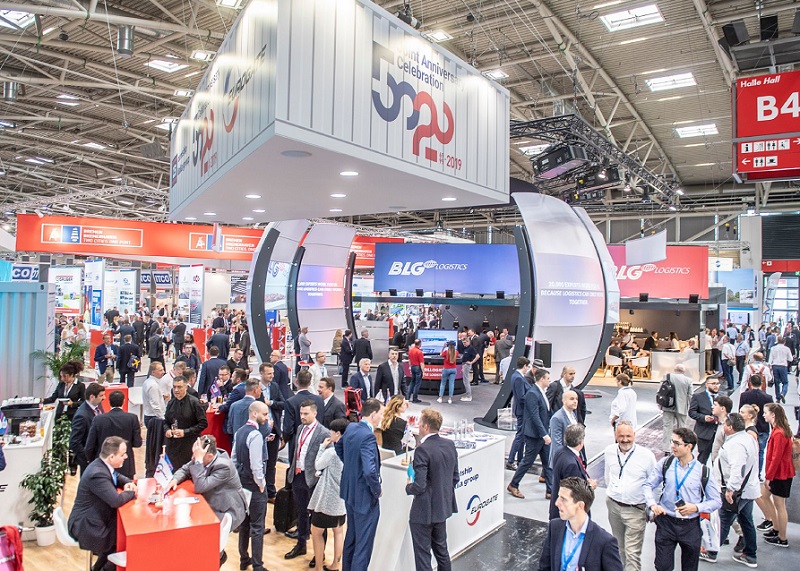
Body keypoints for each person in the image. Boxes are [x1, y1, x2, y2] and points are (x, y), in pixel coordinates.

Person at [643, 428, 721, 571]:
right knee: (662, 566)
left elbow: (716, 501)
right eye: (672, 442)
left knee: (690, 567)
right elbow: (648, 485)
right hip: (666, 522)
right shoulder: (666, 464)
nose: (672, 446)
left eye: (677, 443)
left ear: (689, 446)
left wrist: (696, 508)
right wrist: (652, 504)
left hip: (690, 526)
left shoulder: (702, 471)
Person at [168, 434, 247, 564]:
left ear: (209, 456)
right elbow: (185, 469)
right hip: (211, 501)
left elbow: (200, 486)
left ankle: (217, 557)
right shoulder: (202, 457)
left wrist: (198, 461)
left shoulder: (224, 466)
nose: (193, 458)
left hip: (226, 509)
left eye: (196, 456)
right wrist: (175, 479)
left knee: (199, 534)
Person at [699, 413, 760, 566]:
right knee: (746, 521)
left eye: (725, 424)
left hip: (736, 492)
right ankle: (750, 554)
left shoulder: (736, 444)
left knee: (723, 521)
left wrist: (731, 489)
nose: (723, 426)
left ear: (730, 427)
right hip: (747, 490)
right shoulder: (747, 439)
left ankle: (711, 552)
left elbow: (737, 468)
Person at [68, 436, 137, 571]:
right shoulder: (97, 473)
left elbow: (116, 477)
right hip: (87, 526)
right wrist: (132, 492)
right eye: (122, 454)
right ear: (111, 457)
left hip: (95, 518)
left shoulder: (101, 465)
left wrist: (128, 483)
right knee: (123, 538)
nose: (126, 457)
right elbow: (116, 501)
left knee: (119, 533)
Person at [405, 408, 459, 571]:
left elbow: (420, 485)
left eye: (420, 423)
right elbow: (455, 477)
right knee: (442, 552)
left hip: (424, 512)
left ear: (426, 427)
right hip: (442, 509)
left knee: (423, 557)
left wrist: (408, 487)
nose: (418, 426)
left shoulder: (422, 449)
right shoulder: (449, 444)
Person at [336, 398, 384, 571]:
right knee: (363, 546)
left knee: (352, 538)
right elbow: (370, 471)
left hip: (349, 493)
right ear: (373, 414)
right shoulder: (368, 437)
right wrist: (377, 490)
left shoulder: (351, 427)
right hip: (365, 497)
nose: (382, 417)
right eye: (381, 414)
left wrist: (351, 467)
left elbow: (338, 447)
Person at [538, 477, 623, 571]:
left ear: (580, 505)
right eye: (558, 497)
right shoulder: (555, 527)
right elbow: (544, 567)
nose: (557, 503)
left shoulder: (604, 541)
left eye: (563, 499)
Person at [603, 421, 656, 571]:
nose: (625, 439)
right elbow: (607, 477)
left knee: (632, 553)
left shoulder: (646, 456)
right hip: (613, 507)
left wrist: (652, 506)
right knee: (619, 548)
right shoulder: (609, 452)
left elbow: (654, 483)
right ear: (615, 435)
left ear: (634, 435)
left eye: (628, 436)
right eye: (621, 436)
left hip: (636, 510)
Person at [286, 400, 329, 561]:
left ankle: (319, 553)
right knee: (301, 512)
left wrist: (320, 475)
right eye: (301, 413)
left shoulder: (323, 432)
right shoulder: (300, 428)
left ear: (315, 413)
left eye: (306, 414)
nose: (302, 416)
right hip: (298, 476)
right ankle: (301, 544)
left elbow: (327, 458)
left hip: (313, 480)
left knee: (318, 517)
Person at [233, 401, 271, 571]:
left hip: (241, 483)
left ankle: (244, 559)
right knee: (257, 526)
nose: (266, 418)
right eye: (264, 414)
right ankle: (258, 565)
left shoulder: (239, 432)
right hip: (254, 485)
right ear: (255, 414)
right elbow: (257, 466)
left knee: (244, 523)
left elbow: (234, 459)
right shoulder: (255, 435)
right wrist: (261, 484)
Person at [309, 417, 349, 571]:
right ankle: (336, 564)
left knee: (316, 532)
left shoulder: (332, 452)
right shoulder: (350, 451)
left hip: (326, 500)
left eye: (331, 431)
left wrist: (322, 448)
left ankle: (319, 567)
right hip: (341, 499)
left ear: (338, 433)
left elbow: (318, 465)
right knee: (338, 532)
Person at [755, 403, 795, 548]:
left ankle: (782, 538)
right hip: (779, 473)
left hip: (780, 475)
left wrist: (768, 477)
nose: (763, 415)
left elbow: (776, 457)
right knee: (763, 496)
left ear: (773, 414)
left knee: (780, 505)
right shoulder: (778, 430)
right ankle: (776, 527)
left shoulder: (779, 433)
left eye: (765, 412)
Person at [508, 368, 552, 500]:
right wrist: (544, 434)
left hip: (543, 434)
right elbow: (534, 416)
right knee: (527, 461)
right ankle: (513, 484)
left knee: (547, 462)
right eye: (548, 378)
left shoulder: (541, 392)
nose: (549, 381)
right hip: (535, 436)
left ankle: (550, 490)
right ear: (542, 379)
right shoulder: (533, 393)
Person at [84, 390, 142, 479]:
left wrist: (93, 461)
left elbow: (89, 446)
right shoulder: (132, 418)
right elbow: (137, 443)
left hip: (103, 464)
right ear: (123, 401)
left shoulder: (98, 419)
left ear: (109, 402)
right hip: (126, 465)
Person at [549, 423, 596, 520]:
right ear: (581, 442)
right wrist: (590, 487)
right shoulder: (571, 464)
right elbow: (574, 492)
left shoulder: (560, 452)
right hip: (568, 514)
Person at [164, 376, 207, 469]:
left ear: (186, 387)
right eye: (174, 387)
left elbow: (203, 424)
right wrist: (167, 430)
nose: (176, 390)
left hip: (189, 445)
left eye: (179, 387)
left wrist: (185, 432)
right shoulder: (171, 403)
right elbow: (166, 421)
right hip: (173, 446)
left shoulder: (194, 403)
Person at [283, 370, 325, 463]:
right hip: (316, 441)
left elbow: (288, 427)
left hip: (297, 443)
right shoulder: (319, 400)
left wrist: (285, 439)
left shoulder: (291, 401)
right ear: (310, 383)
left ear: (296, 381)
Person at [738, 374, 773, 480]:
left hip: (747, 427)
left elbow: (740, 411)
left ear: (750, 383)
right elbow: (772, 414)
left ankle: (746, 473)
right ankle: (757, 474)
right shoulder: (768, 397)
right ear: (761, 383)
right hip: (763, 427)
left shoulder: (744, 395)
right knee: (760, 451)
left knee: (746, 451)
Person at [69, 382, 106, 476]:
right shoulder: (81, 416)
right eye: (101, 395)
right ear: (92, 397)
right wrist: (87, 458)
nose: (104, 398)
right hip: (89, 462)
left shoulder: (98, 406)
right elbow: (74, 442)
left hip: (100, 457)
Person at [506, 357, 533, 470]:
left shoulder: (517, 376)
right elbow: (521, 397)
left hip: (521, 410)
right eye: (528, 366)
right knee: (520, 436)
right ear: (525, 366)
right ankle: (511, 460)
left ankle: (520, 459)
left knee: (521, 436)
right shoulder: (518, 378)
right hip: (522, 411)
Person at [660, 364, 694, 453]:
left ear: (674, 370)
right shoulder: (688, 380)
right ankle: (680, 446)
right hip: (682, 407)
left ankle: (666, 449)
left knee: (667, 428)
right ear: (684, 371)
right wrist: (691, 407)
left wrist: (660, 404)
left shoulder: (667, 377)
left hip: (667, 406)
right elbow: (690, 395)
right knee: (682, 428)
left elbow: (660, 391)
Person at [142, 361, 167, 477]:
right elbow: (155, 405)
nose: (163, 372)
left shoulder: (149, 382)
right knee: (155, 447)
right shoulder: (153, 385)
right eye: (160, 370)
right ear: (153, 372)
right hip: (154, 418)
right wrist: (163, 419)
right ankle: (153, 469)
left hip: (151, 416)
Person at [688, 376, 721, 464]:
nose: (716, 386)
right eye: (713, 383)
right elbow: (692, 412)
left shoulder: (722, 397)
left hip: (718, 433)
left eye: (717, 383)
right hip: (704, 433)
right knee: (702, 459)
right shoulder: (698, 396)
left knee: (717, 460)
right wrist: (703, 418)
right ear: (706, 384)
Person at [549, 390, 580, 465]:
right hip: (562, 461)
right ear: (564, 401)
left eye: (576, 399)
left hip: (573, 457)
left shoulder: (573, 414)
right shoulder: (557, 418)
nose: (575, 401)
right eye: (572, 399)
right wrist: (564, 461)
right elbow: (557, 444)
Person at [709, 395, 733, 464]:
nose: (712, 407)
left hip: (722, 464)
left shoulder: (727, 427)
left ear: (722, 408)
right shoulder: (718, 423)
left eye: (715, 405)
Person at [767, 336, 792, 403]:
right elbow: (790, 359)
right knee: (785, 382)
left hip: (775, 365)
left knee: (776, 382)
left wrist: (769, 365)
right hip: (783, 366)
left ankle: (778, 398)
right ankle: (783, 393)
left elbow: (770, 358)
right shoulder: (787, 349)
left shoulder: (773, 348)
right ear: (784, 342)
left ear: (777, 341)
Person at [406, 338, 425, 403]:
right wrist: (423, 371)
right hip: (418, 368)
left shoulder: (410, 350)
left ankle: (407, 397)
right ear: (420, 344)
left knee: (412, 382)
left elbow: (409, 360)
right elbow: (421, 363)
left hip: (412, 367)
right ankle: (415, 398)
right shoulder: (419, 352)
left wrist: (410, 367)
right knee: (417, 384)